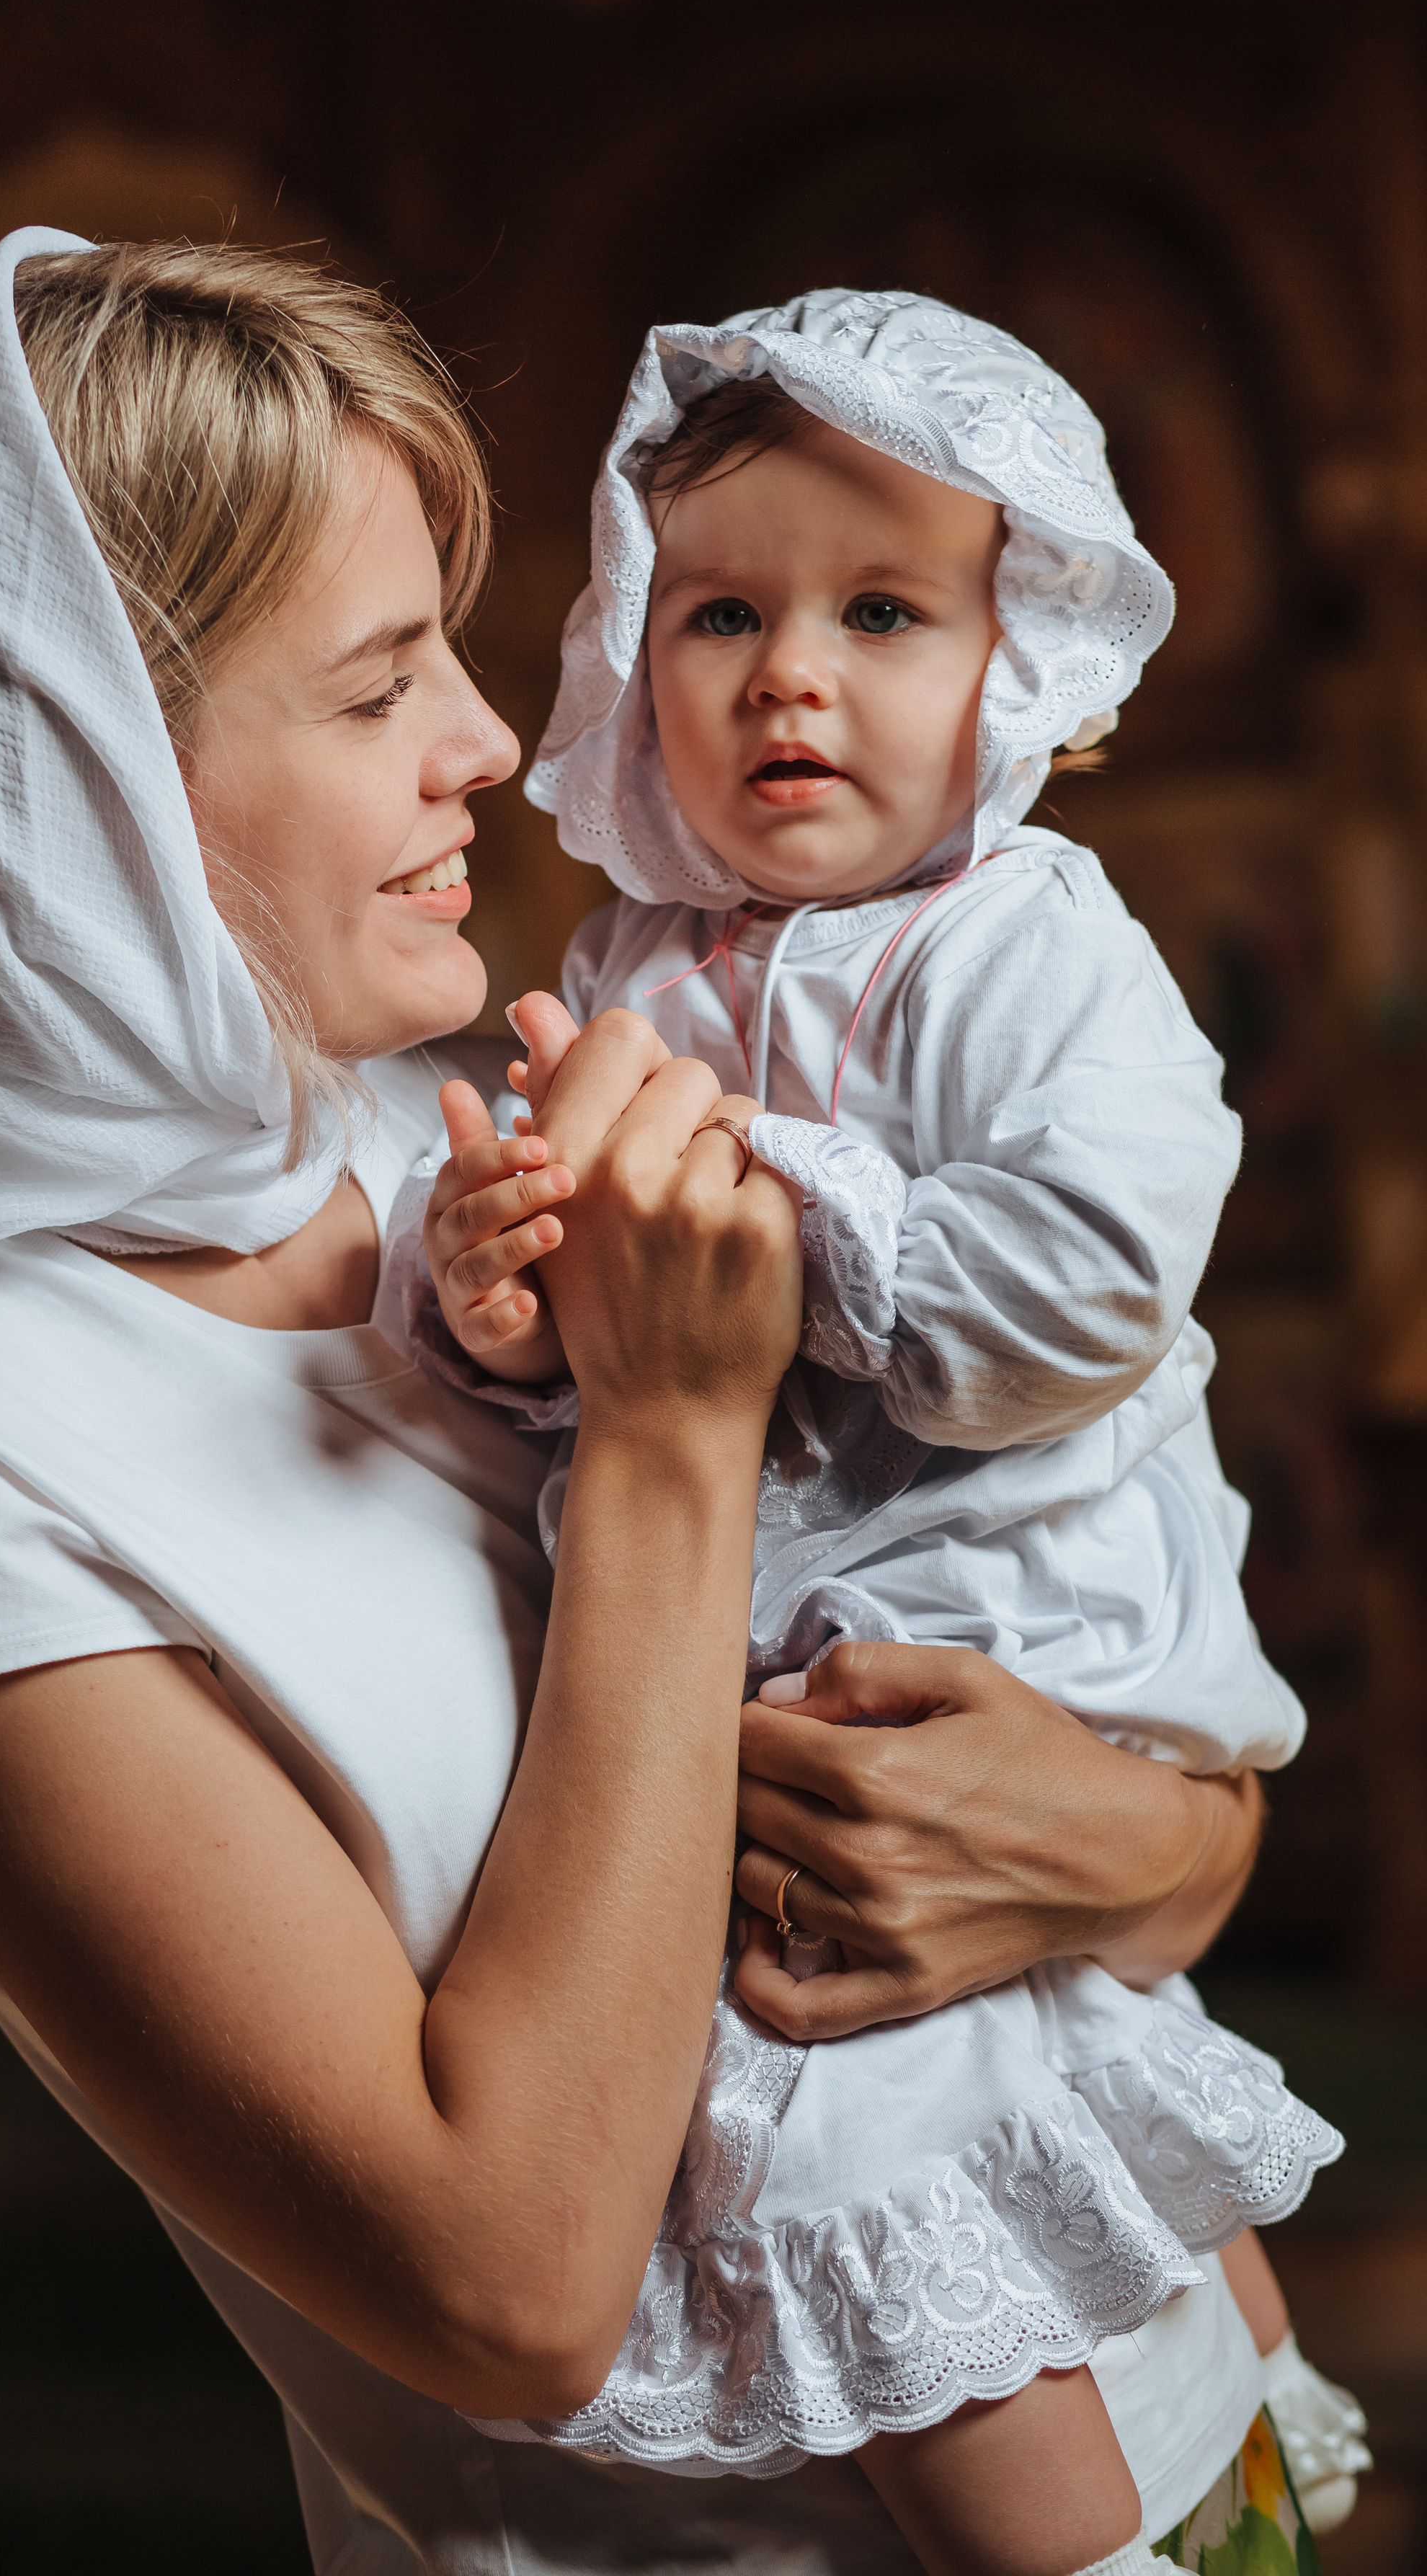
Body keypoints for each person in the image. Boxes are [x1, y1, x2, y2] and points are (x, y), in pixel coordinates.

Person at [0, 235, 1286, 2576]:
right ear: (62, 775)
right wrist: (680, 1441)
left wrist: (1138, 1843)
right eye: (383, 681)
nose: (495, 741)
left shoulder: (427, 1133)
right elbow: (507, 2283)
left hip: (1206, 2410)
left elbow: (1112, 1783)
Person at [404, 288, 1370, 2572]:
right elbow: (592, 1345)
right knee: (1059, 2120)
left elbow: (1083, 1288)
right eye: (721, 610)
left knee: (899, 2171)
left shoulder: (1037, 942)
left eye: (883, 612)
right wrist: (500, 1297)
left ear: (1014, 666)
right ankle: (1258, 2506)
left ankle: (1157, 2535)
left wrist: (770, 1191)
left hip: (1020, 1632)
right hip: (783, 1700)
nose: (790, 674)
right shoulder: (637, 956)